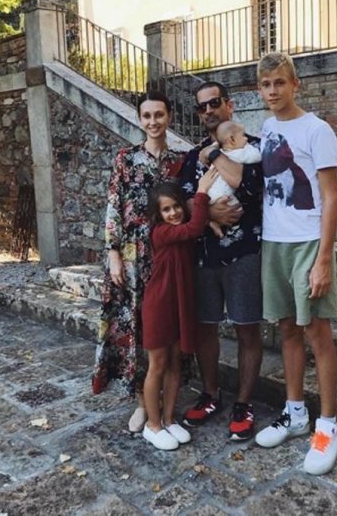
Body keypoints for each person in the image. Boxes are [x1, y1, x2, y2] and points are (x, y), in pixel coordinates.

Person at [253, 52, 337, 476]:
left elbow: (331, 197)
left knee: (317, 333)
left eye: (279, 83)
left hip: (308, 243)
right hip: (274, 243)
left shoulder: (317, 130)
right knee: (286, 329)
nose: (273, 91)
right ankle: (295, 413)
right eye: (266, 84)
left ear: (295, 84)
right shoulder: (267, 127)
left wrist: (323, 258)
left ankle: (328, 426)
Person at [92, 91, 185, 435]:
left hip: (168, 256)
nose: (153, 121)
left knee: (164, 331)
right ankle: (142, 403)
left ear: (169, 116)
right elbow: (113, 204)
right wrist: (113, 253)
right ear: (140, 119)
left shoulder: (180, 161)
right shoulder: (126, 159)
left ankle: (166, 403)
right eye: (147, 116)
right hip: (133, 257)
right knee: (135, 328)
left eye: (159, 114)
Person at [180, 82, 263, 441]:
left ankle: (243, 403)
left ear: (229, 104)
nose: (208, 111)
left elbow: (252, 189)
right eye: (201, 107)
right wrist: (208, 212)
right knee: (206, 327)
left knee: (247, 328)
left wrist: (215, 155)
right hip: (204, 255)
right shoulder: (192, 155)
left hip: (244, 252)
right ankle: (210, 395)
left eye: (214, 103)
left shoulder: (253, 146)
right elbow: (182, 200)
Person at [142, 172, 217, 451]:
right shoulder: (161, 233)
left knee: (175, 363)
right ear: (158, 215)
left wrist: (210, 220)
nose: (173, 213)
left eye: (176, 206)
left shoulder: (181, 230)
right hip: (159, 305)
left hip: (180, 304)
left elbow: (197, 226)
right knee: (158, 364)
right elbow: (194, 228)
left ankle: (169, 419)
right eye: (166, 209)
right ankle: (153, 425)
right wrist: (202, 191)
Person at [206, 121, 262, 238]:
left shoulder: (221, 152)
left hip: (209, 194)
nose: (246, 139)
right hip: (222, 195)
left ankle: (213, 223)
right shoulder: (238, 154)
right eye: (243, 136)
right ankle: (228, 227)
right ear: (232, 140)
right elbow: (256, 157)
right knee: (236, 210)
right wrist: (249, 147)